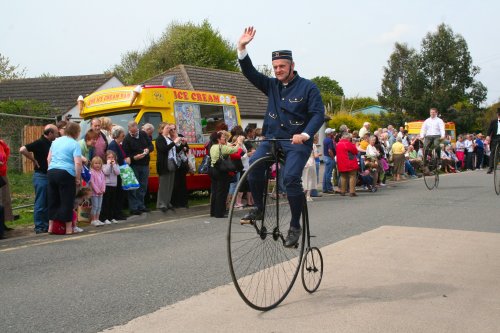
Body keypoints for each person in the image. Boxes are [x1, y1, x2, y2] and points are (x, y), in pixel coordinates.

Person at [237, 26, 324, 247]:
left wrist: (305, 134)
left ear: (292, 66)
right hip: (272, 139)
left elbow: (317, 115)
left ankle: (295, 224)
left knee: (290, 179)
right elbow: (251, 73)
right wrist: (242, 48)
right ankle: (258, 207)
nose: (278, 70)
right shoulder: (272, 85)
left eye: (282, 66)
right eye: (275, 67)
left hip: (296, 143)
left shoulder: (308, 87)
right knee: (254, 167)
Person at [19, 124, 58, 233]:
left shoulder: (52, 143)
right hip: (41, 175)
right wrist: (33, 160)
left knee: (47, 201)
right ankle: (39, 226)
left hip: (49, 175)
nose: (57, 135)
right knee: (41, 202)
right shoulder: (40, 142)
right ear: (50, 133)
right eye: (55, 133)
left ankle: (46, 225)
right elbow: (22, 149)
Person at [47, 122, 82, 235]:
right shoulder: (75, 144)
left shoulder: (56, 141)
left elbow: (49, 158)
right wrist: (77, 178)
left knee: (53, 199)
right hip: (66, 173)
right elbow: (77, 163)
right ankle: (68, 228)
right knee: (66, 200)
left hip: (52, 172)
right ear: (76, 132)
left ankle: (51, 227)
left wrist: (50, 169)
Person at [122, 121, 154, 215]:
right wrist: (134, 158)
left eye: (135, 132)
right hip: (134, 165)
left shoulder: (143, 134)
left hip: (144, 164)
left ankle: (141, 205)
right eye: (132, 133)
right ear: (129, 130)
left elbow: (151, 146)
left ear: (138, 128)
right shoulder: (127, 138)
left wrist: (148, 150)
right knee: (134, 187)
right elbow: (125, 154)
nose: (134, 134)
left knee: (143, 186)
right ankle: (134, 207)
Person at [209, 131, 243, 218]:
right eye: (223, 137)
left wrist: (235, 143)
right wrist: (239, 143)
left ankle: (213, 212)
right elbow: (234, 150)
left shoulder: (213, 146)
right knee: (222, 192)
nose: (225, 138)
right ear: (218, 139)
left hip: (213, 170)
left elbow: (228, 146)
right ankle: (219, 213)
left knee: (215, 191)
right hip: (221, 171)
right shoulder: (222, 147)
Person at [156, 123, 180, 213]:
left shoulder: (168, 138)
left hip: (171, 163)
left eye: (169, 128)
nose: (169, 130)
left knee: (170, 184)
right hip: (164, 164)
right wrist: (174, 142)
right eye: (167, 128)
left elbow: (175, 149)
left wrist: (181, 144)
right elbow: (163, 149)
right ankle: (161, 204)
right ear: (161, 129)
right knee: (163, 185)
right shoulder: (160, 139)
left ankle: (167, 202)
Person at [108, 126, 131, 220]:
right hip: (117, 171)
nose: (124, 136)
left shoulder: (118, 144)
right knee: (118, 193)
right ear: (118, 135)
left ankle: (119, 211)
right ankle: (116, 213)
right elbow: (114, 158)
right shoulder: (113, 145)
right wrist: (125, 161)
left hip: (121, 170)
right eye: (122, 134)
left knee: (120, 193)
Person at [171, 132, 190, 209]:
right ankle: (175, 203)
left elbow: (187, 148)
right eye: (171, 129)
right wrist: (182, 145)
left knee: (183, 183)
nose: (173, 131)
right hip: (175, 163)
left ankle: (184, 202)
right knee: (175, 184)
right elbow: (176, 150)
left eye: (174, 129)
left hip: (182, 163)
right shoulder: (169, 139)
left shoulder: (180, 136)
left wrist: (185, 147)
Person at [336, 132, 359, 197]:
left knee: (343, 177)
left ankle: (342, 191)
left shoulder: (338, 144)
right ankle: (352, 192)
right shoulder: (348, 144)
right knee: (352, 176)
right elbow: (355, 151)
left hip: (341, 163)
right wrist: (354, 144)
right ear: (348, 138)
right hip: (350, 162)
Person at [89, 156, 107, 226]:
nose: (97, 165)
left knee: (99, 206)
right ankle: (93, 220)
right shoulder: (91, 172)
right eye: (95, 163)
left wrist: (103, 189)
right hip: (94, 193)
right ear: (92, 164)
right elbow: (92, 182)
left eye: (99, 163)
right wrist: (97, 190)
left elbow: (103, 181)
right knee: (95, 206)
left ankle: (97, 219)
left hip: (101, 193)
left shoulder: (101, 172)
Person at [0, 139, 14, 224]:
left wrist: (4, 162)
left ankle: (3, 222)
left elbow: (7, 151)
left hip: (2, 174)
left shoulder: (1, 143)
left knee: (4, 198)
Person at [322, 128, 336, 194]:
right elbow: (330, 150)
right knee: (328, 174)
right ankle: (329, 188)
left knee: (326, 173)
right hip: (329, 157)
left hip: (325, 157)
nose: (333, 133)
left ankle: (325, 188)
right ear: (330, 133)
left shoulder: (325, 140)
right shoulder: (330, 140)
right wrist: (333, 157)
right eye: (332, 132)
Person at [486, 109, 500, 174]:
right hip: (495, 138)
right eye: (498, 114)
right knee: (493, 153)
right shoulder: (493, 121)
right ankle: (490, 168)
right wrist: (488, 136)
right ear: (497, 114)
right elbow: (489, 129)